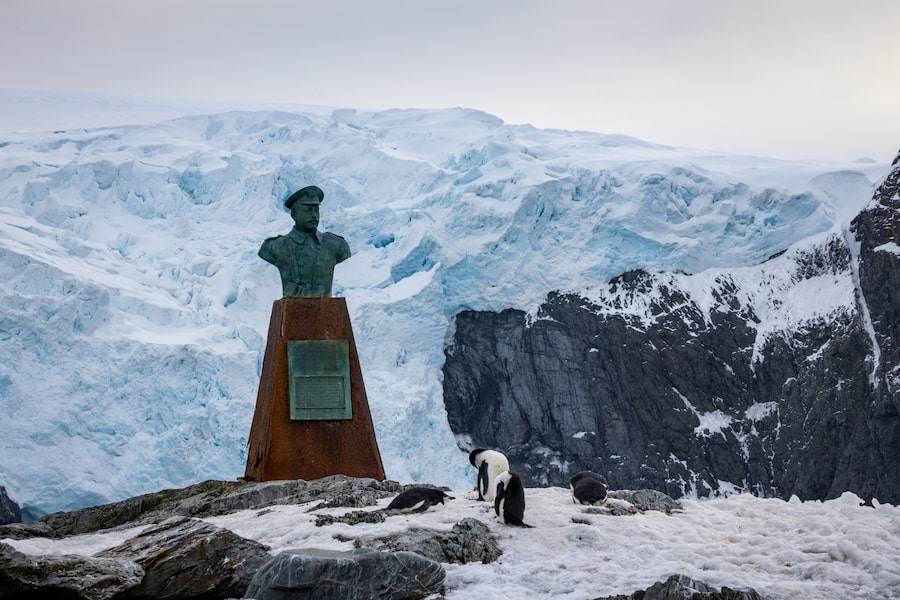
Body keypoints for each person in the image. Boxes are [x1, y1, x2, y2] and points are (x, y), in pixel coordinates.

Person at [258, 185, 351, 297]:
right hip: (292, 310)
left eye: (316, 209)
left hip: (326, 310)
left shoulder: (336, 245)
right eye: (308, 210)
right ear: (294, 214)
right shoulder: (274, 247)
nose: (314, 215)